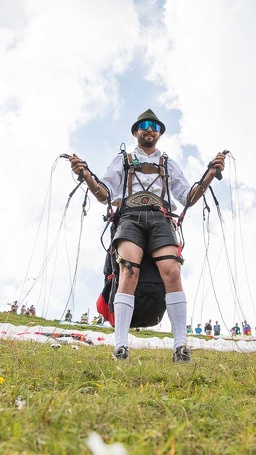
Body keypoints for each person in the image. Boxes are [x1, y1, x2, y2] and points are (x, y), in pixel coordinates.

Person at [71, 109, 225, 362]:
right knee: (128, 270)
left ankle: (180, 346)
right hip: (130, 217)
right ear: (136, 132)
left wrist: (209, 175)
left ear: (160, 133)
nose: (150, 129)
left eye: (155, 125)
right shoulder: (123, 159)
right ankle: (120, 346)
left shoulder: (167, 163)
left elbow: (187, 196)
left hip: (161, 219)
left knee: (172, 270)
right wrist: (86, 175)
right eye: (144, 125)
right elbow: (104, 193)